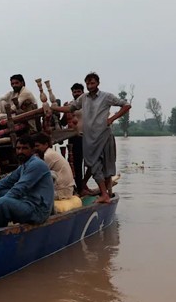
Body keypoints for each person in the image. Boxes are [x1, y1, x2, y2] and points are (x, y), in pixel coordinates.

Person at [53, 72, 131, 204]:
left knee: (106, 165)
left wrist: (112, 119)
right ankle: (104, 194)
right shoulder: (84, 98)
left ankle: (106, 194)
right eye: (88, 83)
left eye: (92, 83)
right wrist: (53, 108)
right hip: (90, 137)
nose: (90, 86)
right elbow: (70, 108)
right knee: (93, 164)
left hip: (104, 135)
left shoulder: (106, 96)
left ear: (98, 83)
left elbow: (126, 105)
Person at [0, 135, 54, 228]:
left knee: (2, 202)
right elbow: (6, 182)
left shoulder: (36, 164)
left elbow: (19, 188)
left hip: (38, 210)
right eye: (18, 148)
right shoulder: (24, 165)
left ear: (32, 150)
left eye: (24, 148)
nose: (20, 151)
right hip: (28, 202)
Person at [60, 83, 87, 192]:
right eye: (74, 92)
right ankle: (78, 187)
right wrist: (64, 110)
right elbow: (63, 122)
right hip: (75, 137)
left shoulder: (88, 104)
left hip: (88, 137)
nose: (76, 94)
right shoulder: (70, 105)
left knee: (91, 163)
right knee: (75, 163)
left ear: (83, 92)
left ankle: (83, 185)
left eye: (78, 92)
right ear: (72, 93)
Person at [33, 132, 75, 200]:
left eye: (37, 146)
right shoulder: (50, 153)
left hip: (62, 192)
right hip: (66, 189)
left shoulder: (48, 155)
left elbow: (38, 175)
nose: (35, 148)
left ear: (46, 144)